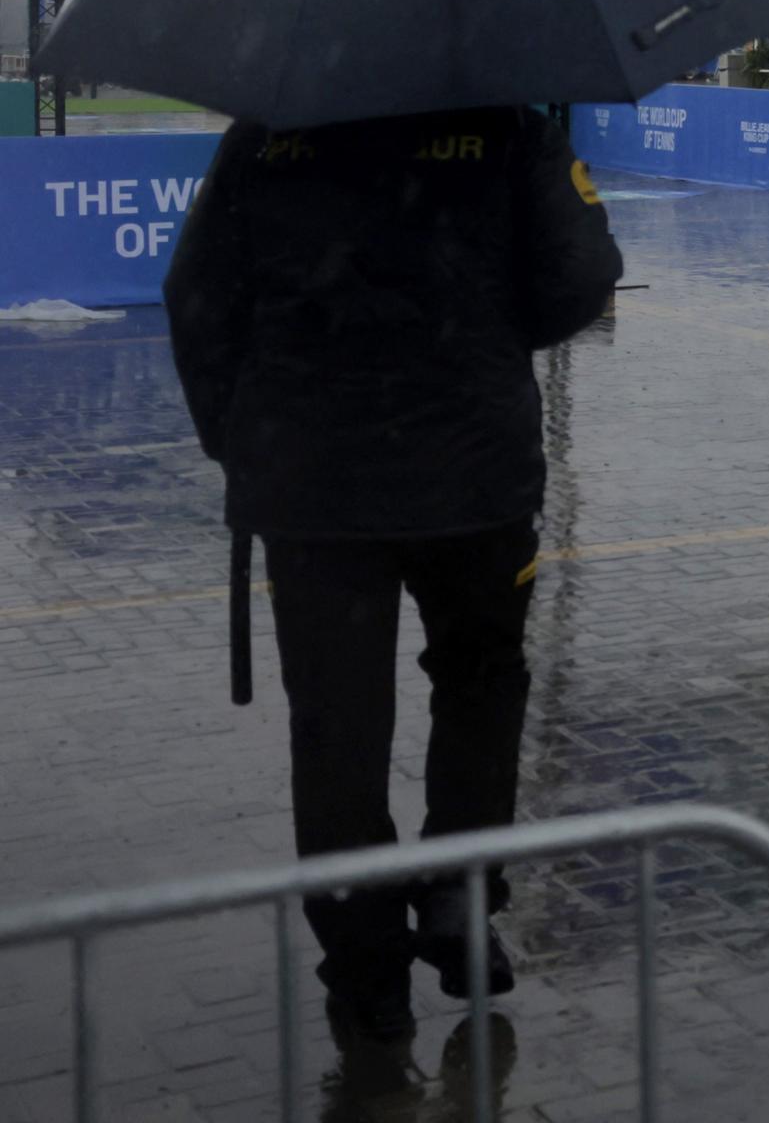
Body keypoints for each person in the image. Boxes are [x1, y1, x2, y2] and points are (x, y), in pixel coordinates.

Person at [164, 109, 624, 1040]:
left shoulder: (269, 132)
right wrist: (483, 322)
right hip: (472, 478)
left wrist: (240, 443)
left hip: (313, 488)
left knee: (337, 728)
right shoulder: (506, 123)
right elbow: (577, 280)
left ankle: (363, 967)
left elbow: (195, 296)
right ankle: (458, 896)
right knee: (481, 686)